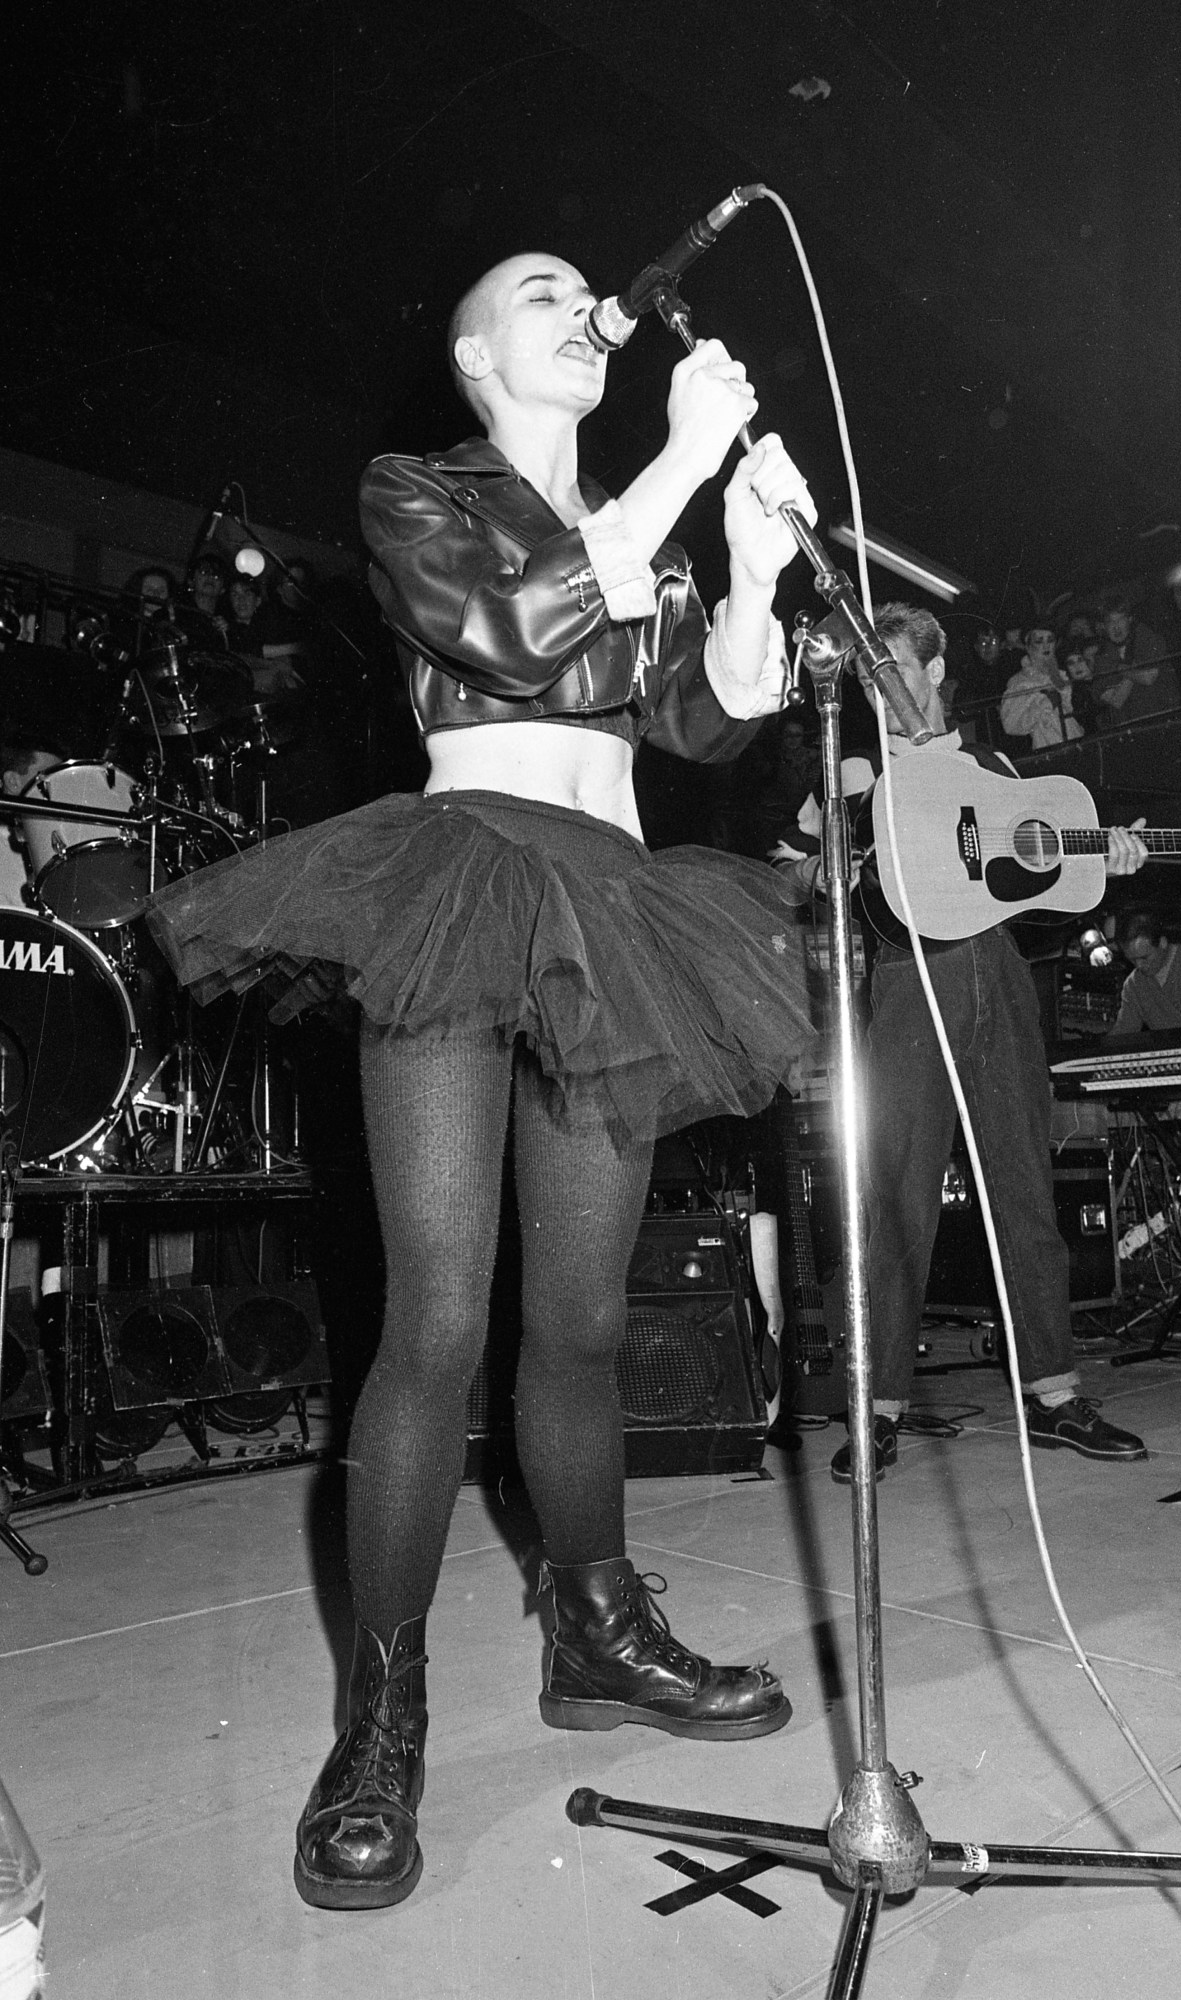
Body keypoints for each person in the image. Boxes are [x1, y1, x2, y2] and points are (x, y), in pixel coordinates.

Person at [145, 250, 823, 1911]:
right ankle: (378, 1714)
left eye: (589, 290)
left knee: (580, 1325)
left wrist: (739, 569)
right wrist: (672, 471)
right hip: (457, 884)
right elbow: (507, 637)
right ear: (472, 358)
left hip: (608, 902)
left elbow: (706, 723)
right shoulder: (417, 493)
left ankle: (590, 1632)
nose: (581, 306)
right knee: (437, 1319)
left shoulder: (636, 515)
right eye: (540, 294)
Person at [771, 602, 1150, 1483]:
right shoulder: (851, 769)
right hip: (908, 982)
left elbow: (1042, 879)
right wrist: (819, 869)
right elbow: (782, 861)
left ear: (936, 671)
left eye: (894, 667)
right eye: (868, 674)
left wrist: (1107, 855)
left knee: (1023, 1189)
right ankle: (880, 1409)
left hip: (999, 977)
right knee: (895, 1205)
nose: (880, 686)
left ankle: (1054, 1397)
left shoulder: (990, 763)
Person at [1108, 911, 1181, 1038]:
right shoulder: (1133, 985)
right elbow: (1123, 1032)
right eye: (1132, 960)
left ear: (1162, 943)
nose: (1139, 966)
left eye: (1144, 958)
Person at [1088, 596, 1179, 727]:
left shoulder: (1148, 638)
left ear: (1130, 620)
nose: (1116, 627)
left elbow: (1149, 678)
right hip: (1128, 728)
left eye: (1120, 619)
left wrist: (1120, 669)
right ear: (1103, 626)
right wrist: (1133, 669)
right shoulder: (1102, 658)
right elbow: (1116, 701)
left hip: (1163, 720)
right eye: (1110, 622)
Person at [999, 622, 1084, 748]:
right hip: (1047, 747)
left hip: (1074, 740)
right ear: (1028, 646)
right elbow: (1010, 725)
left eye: (1050, 640)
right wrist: (1046, 704)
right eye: (1039, 641)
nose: (1046, 646)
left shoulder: (1061, 674)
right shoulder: (1020, 681)